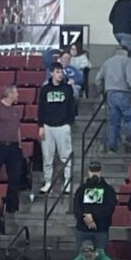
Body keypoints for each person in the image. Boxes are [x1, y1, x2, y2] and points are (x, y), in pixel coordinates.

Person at [0, 85, 25, 219]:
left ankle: (12, 206)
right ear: (9, 94)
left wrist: (19, 144)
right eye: (16, 93)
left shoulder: (16, 110)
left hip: (14, 147)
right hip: (0, 146)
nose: (18, 95)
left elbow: (17, 128)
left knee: (15, 177)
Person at [38, 65, 76, 195]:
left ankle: (67, 182)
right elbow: (40, 109)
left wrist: (69, 123)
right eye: (57, 72)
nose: (60, 74)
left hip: (63, 125)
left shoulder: (67, 89)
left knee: (66, 156)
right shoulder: (45, 89)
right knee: (47, 157)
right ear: (51, 73)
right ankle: (48, 182)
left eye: (61, 72)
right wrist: (40, 126)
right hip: (47, 126)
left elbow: (72, 107)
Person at [96, 47, 131, 154]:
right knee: (130, 119)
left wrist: (102, 92)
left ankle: (112, 147)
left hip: (110, 94)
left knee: (113, 123)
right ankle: (129, 140)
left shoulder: (107, 62)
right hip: (123, 93)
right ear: (127, 52)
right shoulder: (127, 61)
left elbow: (98, 79)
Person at [73, 161, 118, 250]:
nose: (94, 174)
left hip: (101, 230)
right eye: (92, 171)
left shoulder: (108, 190)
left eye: (97, 171)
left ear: (100, 172)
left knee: (100, 257)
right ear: (88, 172)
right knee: (82, 258)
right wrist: (86, 219)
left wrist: (93, 217)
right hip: (82, 229)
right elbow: (76, 207)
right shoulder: (81, 189)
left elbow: (109, 208)